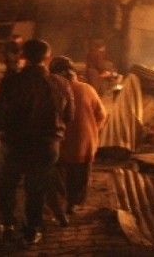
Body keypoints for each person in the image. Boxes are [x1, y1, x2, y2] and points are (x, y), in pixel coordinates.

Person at [0, 39, 74, 246]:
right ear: (48, 58)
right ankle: (32, 230)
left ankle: (7, 225)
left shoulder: (10, 82)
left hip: (14, 145)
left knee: (6, 185)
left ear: (22, 56)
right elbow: (69, 116)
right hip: (47, 147)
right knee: (36, 189)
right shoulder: (62, 83)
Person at [48, 56, 107, 218]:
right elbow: (102, 115)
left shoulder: (52, 90)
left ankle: (60, 206)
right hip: (85, 144)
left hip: (60, 144)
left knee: (59, 175)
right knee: (80, 176)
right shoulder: (87, 89)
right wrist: (92, 131)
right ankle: (73, 204)